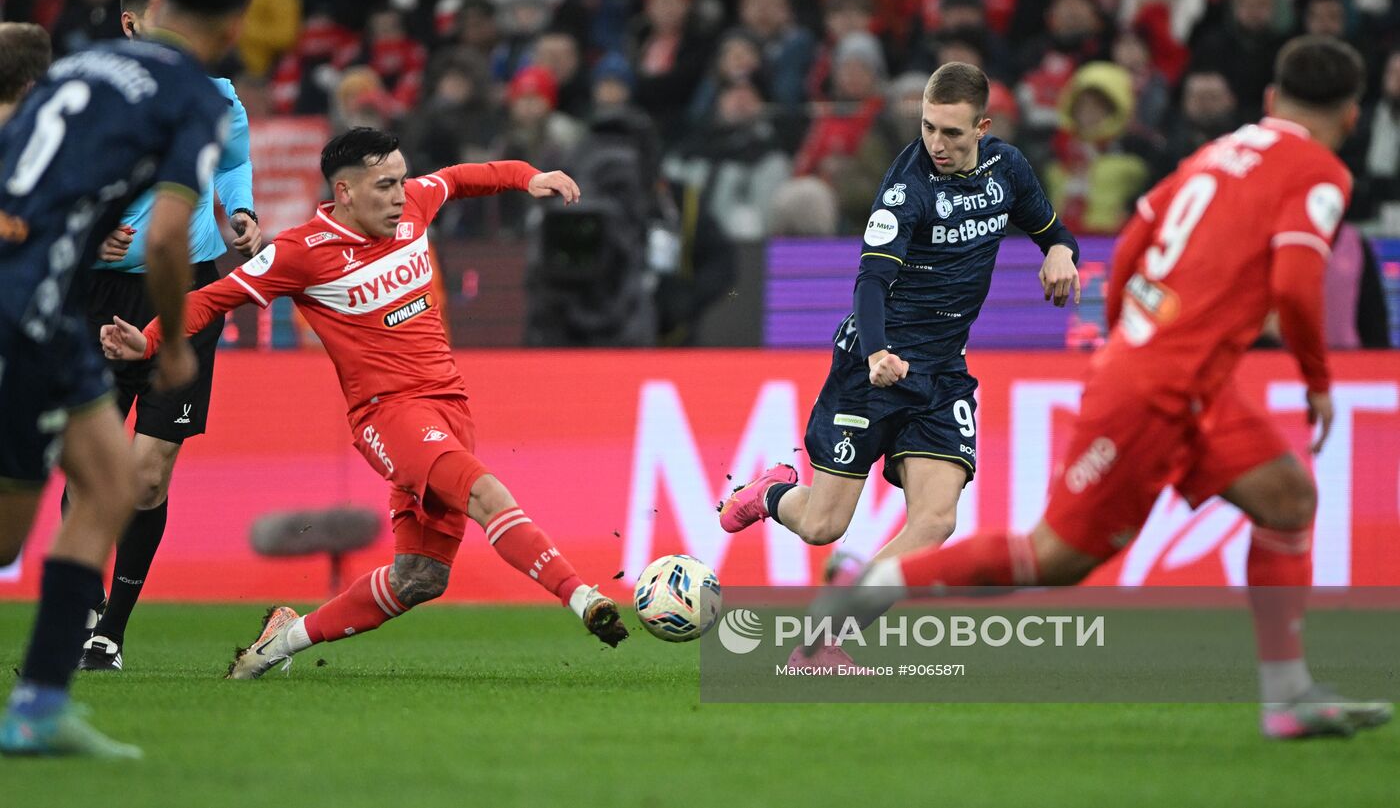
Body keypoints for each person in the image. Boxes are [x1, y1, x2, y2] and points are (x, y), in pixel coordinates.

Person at [818, 36, 1394, 740]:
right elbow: (1297, 284)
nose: (937, 142)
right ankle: (869, 585)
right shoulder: (1321, 171)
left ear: (1272, 99)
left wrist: (1125, 330)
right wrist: (1317, 379)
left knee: (1287, 500)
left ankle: (1288, 697)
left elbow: (1139, 232)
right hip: (1159, 385)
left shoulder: (1223, 150)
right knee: (1054, 558)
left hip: (1183, 378)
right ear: (1353, 116)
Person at [100, 128, 628, 679]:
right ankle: (583, 597)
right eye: (385, 186)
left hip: (450, 406)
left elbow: (459, 178)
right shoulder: (301, 252)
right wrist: (151, 340)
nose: (400, 195)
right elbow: (211, 299)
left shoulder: (414, 205)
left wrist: (529, 177)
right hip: (389, 414)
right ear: (345, 192)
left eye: (401, 180)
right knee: (485, 492)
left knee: (419, 578)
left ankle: (277, 643)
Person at [718, 62, 1080, 632]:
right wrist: (876, 353)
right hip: (872, 366)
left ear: (982, 127)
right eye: (928, 127)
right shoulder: (906, 188)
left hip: (942, 373)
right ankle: (771, 494)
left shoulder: (1007, 168)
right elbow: (870, 282)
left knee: (935, 523)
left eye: (951, 132)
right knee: (822, 526)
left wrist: (1060, 252)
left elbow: (1053, 232)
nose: (936, 143)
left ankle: (830, 632)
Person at [0, 0, 249, 758]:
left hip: (50, 292)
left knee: (109, 486)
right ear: (232, 22)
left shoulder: (81, 66)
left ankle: (39, 707)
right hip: (33, 300)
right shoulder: (196, 97)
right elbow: (172, 236)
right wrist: (173, 343)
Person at [69, 0, 261, 675]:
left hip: (186, 296)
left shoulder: (217, 94)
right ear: (131, 25)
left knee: (149, 475)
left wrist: (242, 211)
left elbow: (233, 162)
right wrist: (90, 229)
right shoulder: (90, 95)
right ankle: (82, 604)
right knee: (93, 460)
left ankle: (108, 634)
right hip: (98, 296)